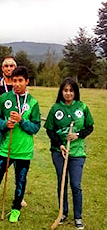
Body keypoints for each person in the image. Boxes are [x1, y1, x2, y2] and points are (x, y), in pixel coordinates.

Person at [0, 66, 41, 223]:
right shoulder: (5, 98)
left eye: (20, 81)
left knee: (21, 180)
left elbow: (36, 127)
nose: (17, 84)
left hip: (23, 150)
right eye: (14, 81)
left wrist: (22, 121)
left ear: (27, 81)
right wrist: (5, 124)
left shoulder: (33, 102)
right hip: (5, 148)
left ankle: (16, 208)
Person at [44, 77, 94, 230]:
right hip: (59, 152)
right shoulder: (55, 108)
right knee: (62, 181)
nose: (68, 93)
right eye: (65, 90)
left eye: (71, 90)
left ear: (75, 92)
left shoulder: (82, 107)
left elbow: (89, 127)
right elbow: (50, 130)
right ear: (61, 92)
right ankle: (63, 212)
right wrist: (60, 145)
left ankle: (78, 217)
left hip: (77, 152)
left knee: (75, 184)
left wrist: (78, 135)